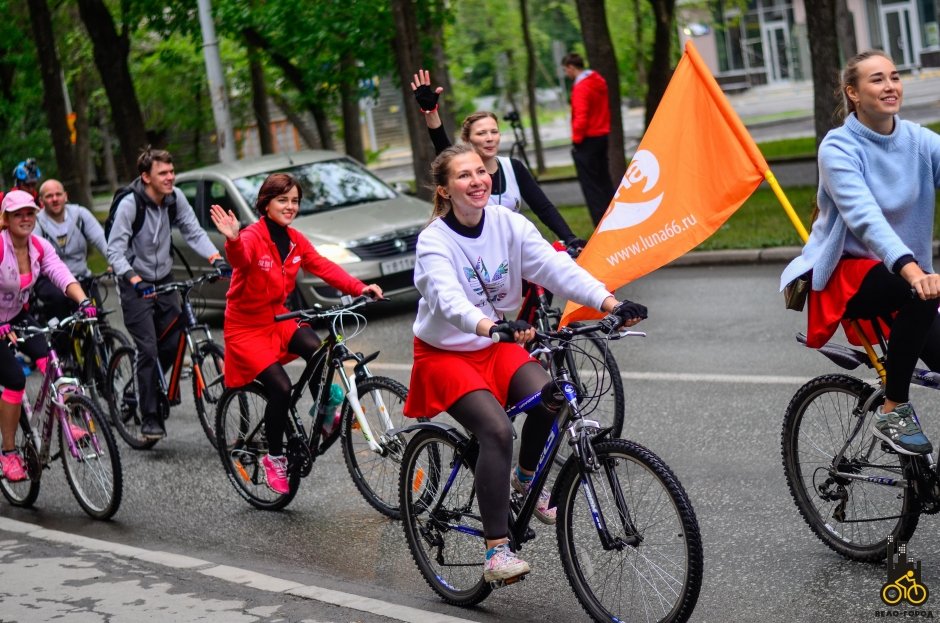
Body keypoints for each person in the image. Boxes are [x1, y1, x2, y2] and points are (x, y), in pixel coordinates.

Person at [402, 144, 646, 582]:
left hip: (495, 343)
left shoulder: (508, 224)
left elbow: (556, 268)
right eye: (463, 175)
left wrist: (610, 301)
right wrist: (488, 326)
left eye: (481, 171)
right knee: (496, 430)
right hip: (447, 352)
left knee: (555, 395)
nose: (477, 180)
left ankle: (525, 479)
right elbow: (447, 298)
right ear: (444, 190)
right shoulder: (434, 240)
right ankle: (496, 550)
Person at [780, 50, 940, 456]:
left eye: (895, 76)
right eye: (876, 79)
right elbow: (867, 218)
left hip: (908, 275)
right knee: (918, 292)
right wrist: (910, 269)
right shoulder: (839, 147)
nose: (890, 86)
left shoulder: (919, 142)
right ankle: (892, 410)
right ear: (853, 92)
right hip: (849, 274)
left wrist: (913, 272)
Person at [209, 173, 383, 495]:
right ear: (266, 203)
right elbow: (240, 259)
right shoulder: (250, 237)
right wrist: (232, 239)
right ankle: (274, 457)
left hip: (279, 317)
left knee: (318, 352)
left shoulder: (296, 240)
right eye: (282, 200)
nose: (290, 206)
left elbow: (323, 266)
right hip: (246, 327)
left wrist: (361, 287)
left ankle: (325, 411)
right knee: (281, 388)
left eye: (294, 201)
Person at [107, 147, 231, 441]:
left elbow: (192, 230)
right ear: (145, 177)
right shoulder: (130, 204)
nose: (170, 177)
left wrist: (216, 259)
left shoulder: (174, 199)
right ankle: (149, 415)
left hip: (163, 279)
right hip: (134, 283)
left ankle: (151, 384)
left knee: (174, 340)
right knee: (148, 348)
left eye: (171, 171)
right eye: (163, 173)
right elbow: (114, 250)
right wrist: (135, 280)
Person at [410, 69, 586, 253]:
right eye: (481, 133)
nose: (489, 138)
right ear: (468, 139)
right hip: (478, 253)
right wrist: (430, 111)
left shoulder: (513, 167)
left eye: (494, 132)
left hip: (514, 252)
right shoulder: (459, 167)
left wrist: (569, 237)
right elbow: (441, 144)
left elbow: (544, 208)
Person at [0, 190, 97, 482]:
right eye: (18, 214)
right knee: (15, 380)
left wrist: (84, 303)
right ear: (6, 219)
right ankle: (8, 454)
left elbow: (61, 274)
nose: (26, 219)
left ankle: (67, 419)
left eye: (30, 213)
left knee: (50, 359)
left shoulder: (39, 247)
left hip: (17, 316)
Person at [34, 179, 110, 323]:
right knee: (63, 321)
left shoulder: (80, 215)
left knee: (98, 318)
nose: (55, 199)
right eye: (49, 196)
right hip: (51, 281)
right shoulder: (37, 223)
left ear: (66, 196)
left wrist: (114, 262)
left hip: (81, 275)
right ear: (41, 201)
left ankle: (104, 342)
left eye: (58, 194)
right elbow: (36, 256)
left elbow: (102, 240)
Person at [561, 53, 614, 227]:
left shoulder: (581, 87)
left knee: (592, 187)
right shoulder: (598, 82)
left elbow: (581, 116)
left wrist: (576, 140)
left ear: (571, 67)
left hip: (587, 140)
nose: (566, 74)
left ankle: (601, 225)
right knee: (604, 181)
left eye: (565, 70)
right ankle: (614, 218)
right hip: (602, 135)